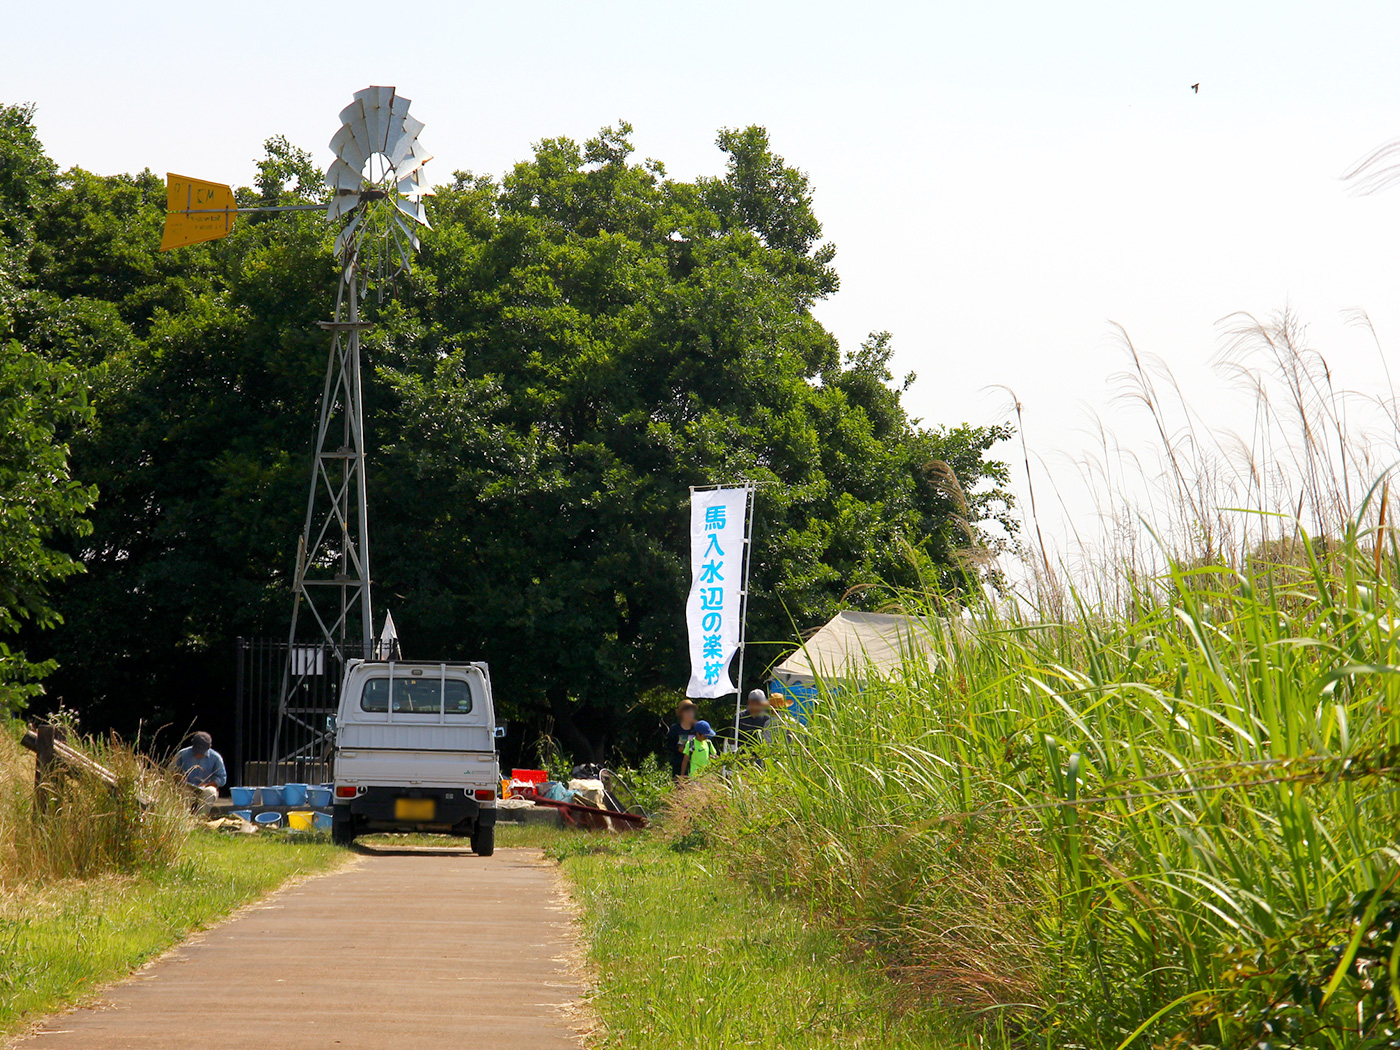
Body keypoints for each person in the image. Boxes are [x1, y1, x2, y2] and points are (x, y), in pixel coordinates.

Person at [173, 731, 226, 812]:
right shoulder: (182, 754)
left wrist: (209, 784)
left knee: (210, 792)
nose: (198, 754)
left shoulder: (216, 758)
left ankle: (201, 818)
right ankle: (185, 818)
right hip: (187, 787)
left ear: (209, 747)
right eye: (196, 750)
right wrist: (178, 776)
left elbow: (222, 778)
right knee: (184, 792)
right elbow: (171, 771)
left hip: (206, 787)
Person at [665, 700, 699, 777]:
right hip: (678, 766)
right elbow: (669, 746)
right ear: (681, 714)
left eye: (691, 712)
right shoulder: (675, 729)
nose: (689, 714)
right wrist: (679, 749)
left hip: (695, 766)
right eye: (687, 712)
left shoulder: (697, 728)